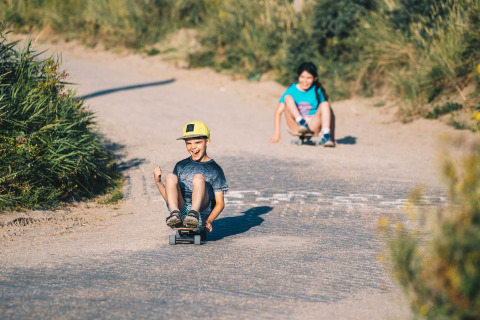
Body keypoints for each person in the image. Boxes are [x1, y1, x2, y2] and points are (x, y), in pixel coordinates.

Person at [153, 121, 229, 232]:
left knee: (198, 178)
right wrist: (158, 182)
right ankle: (175, 215)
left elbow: (220, 203)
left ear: (207, 142)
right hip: (181, 208)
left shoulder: (215, 169)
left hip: (201, 210)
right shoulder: (180, 165)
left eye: (198, 142)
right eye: (188, 143)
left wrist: (209, 220)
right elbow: (170, 198)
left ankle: (193, 213)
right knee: (170, 177)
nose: (193, 147)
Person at [269, 62, 336, 147]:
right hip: (295, 126)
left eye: (309, 78)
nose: (305, 81)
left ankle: (326, 137)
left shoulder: (317, 90)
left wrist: (332, 137)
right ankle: (301, 122)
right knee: (287, 98)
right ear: (298, 77)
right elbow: (278, 113)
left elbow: (330, 114)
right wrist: (277, 134)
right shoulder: (292, 89)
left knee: (325, 104)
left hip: (313, 126)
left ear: (315, 78)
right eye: (302, 77)